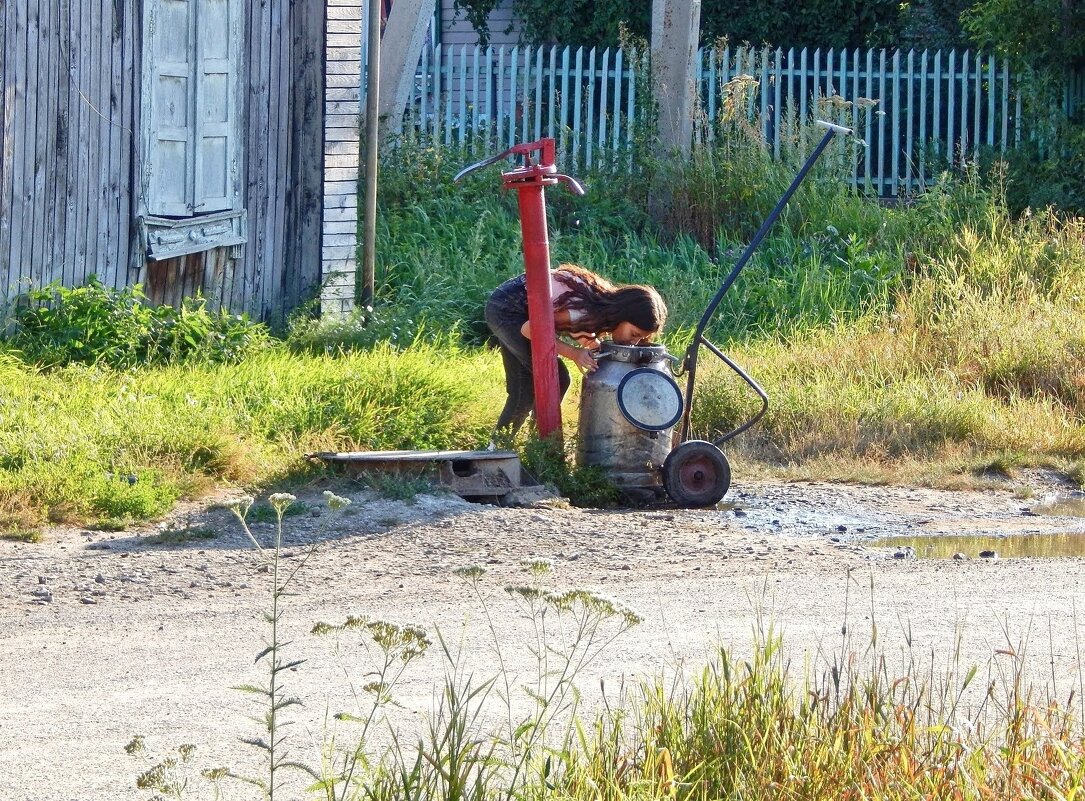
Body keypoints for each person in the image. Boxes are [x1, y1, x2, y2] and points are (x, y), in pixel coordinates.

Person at [484, 263, 668, 436]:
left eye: (639, 339)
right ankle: (537, 445)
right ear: (624, 314)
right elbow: (532, 330)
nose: (633, 342)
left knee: (523, 389)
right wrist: (574, 354)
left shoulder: (601, 304)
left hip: (507, 303)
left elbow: (581, 329)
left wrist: (595, 349)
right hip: (508, 311)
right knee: (555, 379)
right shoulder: (585, 309)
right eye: (634, 334)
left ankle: (505, 448)